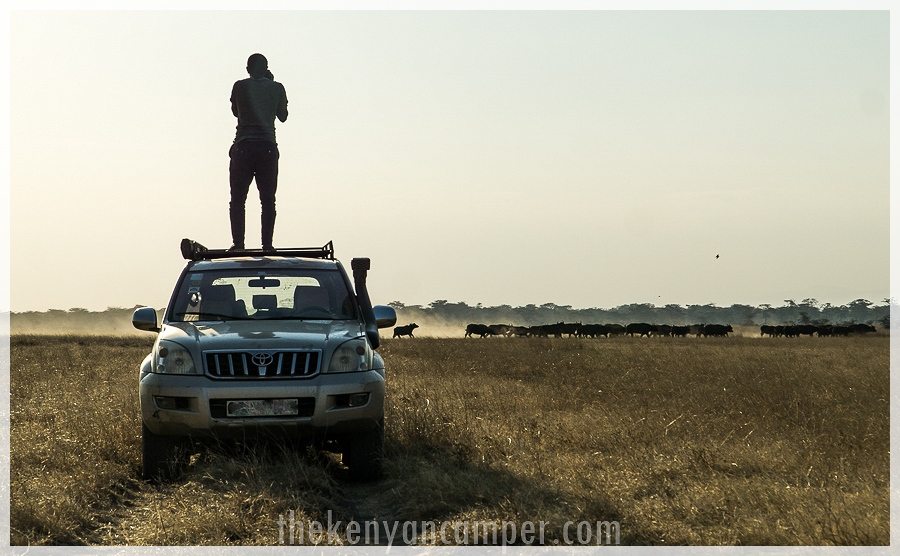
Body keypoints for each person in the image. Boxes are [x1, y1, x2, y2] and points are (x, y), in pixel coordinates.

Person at [228, 53, 289, 252]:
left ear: (248, 69)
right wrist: (272, 86)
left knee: (238, 199)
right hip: (267, 147)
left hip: (243, 146)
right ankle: (267, 245)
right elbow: (283, 116)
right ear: (266, 68)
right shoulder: (277, 88)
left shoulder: (240, 86)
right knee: (268, 199)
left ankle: (238, 244)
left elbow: (236, 112)